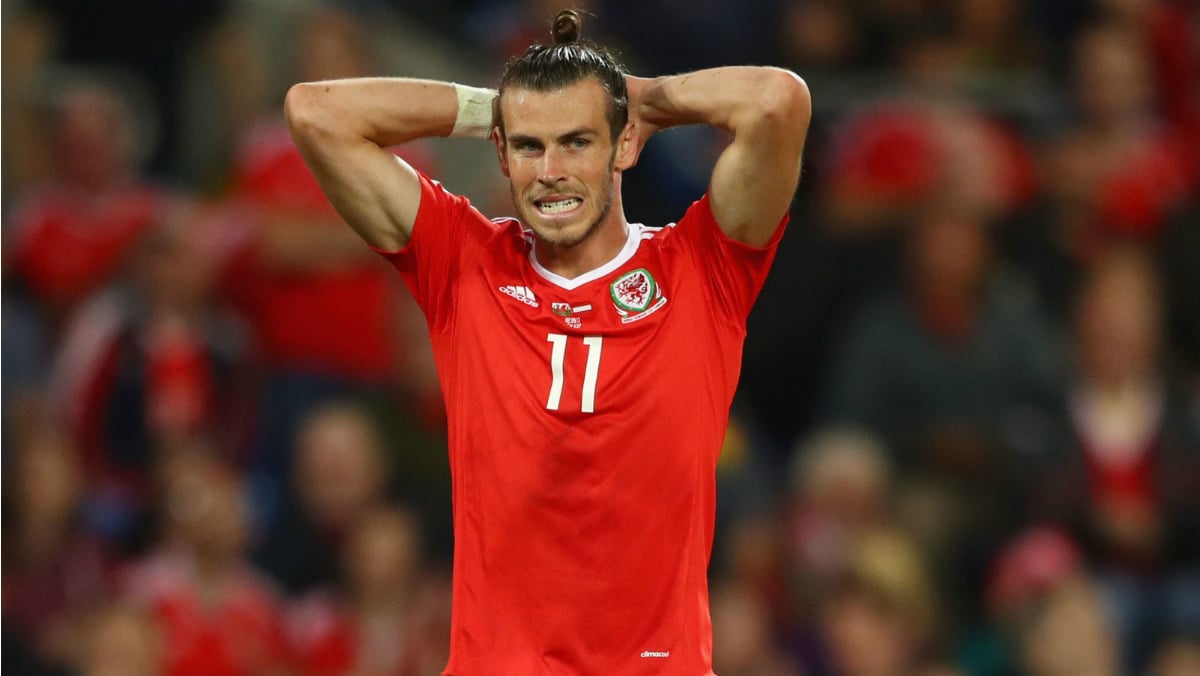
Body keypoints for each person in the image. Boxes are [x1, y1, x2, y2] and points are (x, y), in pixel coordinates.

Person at [285, 9, 810, 672]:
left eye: (577, 141)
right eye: (529, 146)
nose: (551, 170)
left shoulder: (701, 270)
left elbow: (778, 101)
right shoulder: (463, 263)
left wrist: (639, 97)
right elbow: (315, 112)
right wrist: (493, 109)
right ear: (502, 153)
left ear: (623, 146)